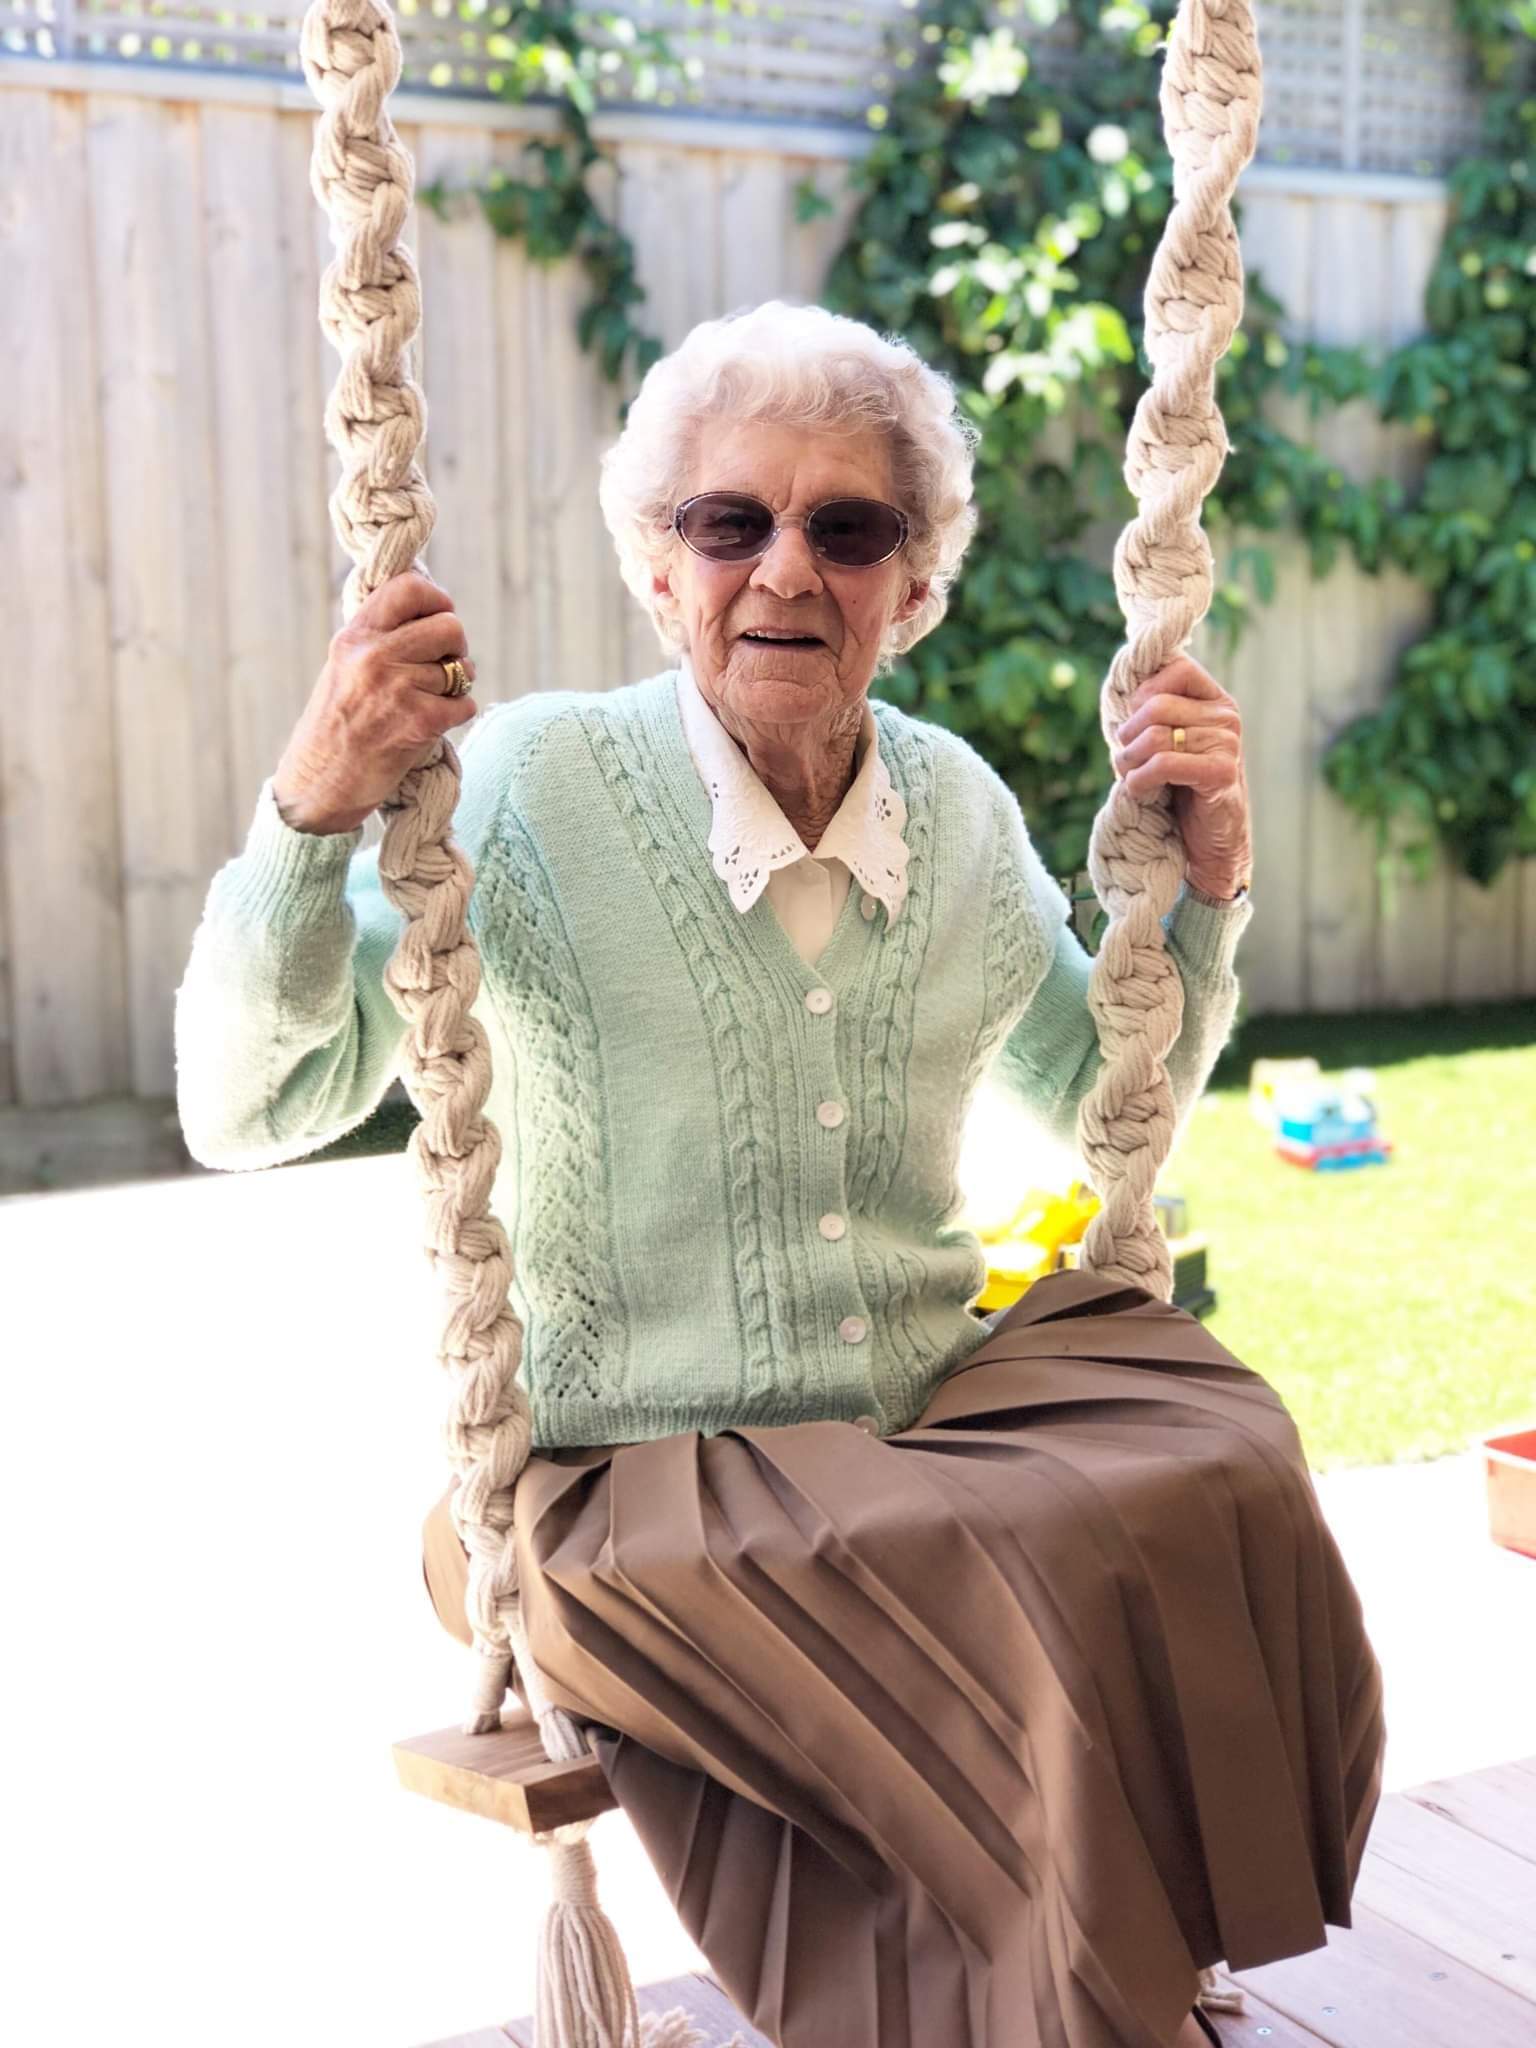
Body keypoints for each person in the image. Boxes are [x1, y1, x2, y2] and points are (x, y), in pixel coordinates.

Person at [175, 301, 1385, 2048]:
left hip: (911, 1409)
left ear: (916, 581)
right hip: (624, 1462)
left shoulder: (957, 811)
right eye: (727, 522)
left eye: (849, 527)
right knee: (983, 1565)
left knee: (1221, 1449)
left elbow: (1103, 1094)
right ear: (658, 573)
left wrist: (1206, 895)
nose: (785, 571)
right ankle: (1050, 2003)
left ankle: (1101, 1971)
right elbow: (247, 1105)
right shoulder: (522, 790)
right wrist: (308, 809)